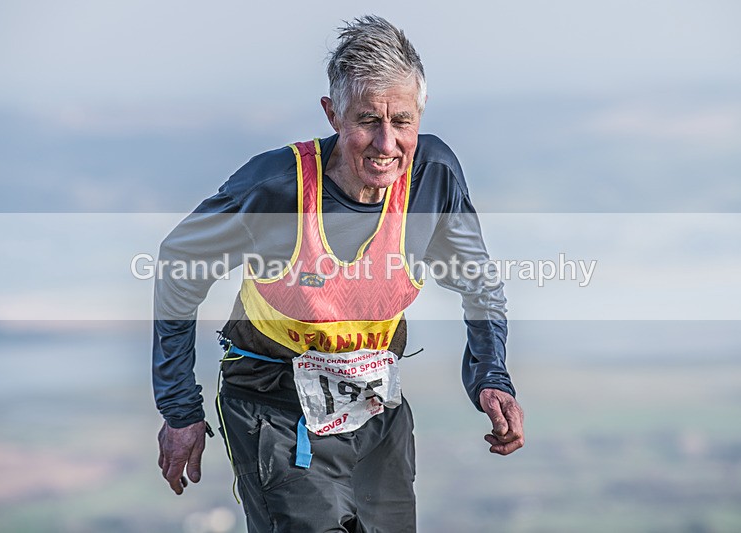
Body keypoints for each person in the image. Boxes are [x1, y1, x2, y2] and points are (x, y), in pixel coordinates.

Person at [154, 15, 523, 532]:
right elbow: (179, 264)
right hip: (273, 404)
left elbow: (478, 281)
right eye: (368, 120)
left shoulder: (432, 178)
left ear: (420, 115)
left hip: (375, 404)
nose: (387, 144)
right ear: (332, 114)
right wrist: (178, 408)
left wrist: (490, 376)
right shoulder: (275, 189)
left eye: (403, 122)